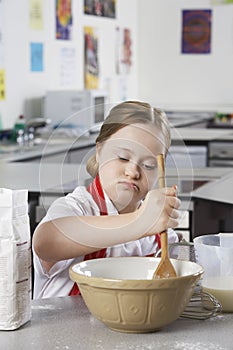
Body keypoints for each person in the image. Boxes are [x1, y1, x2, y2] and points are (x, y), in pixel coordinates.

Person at [32, 100, 181, 299]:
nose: (133, 172)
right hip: (64, 329)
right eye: (122, 157)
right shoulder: (77, 207)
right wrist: (141, 222)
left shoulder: (159, 234)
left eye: (148, 165)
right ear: (99, 151)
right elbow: (46, 242)